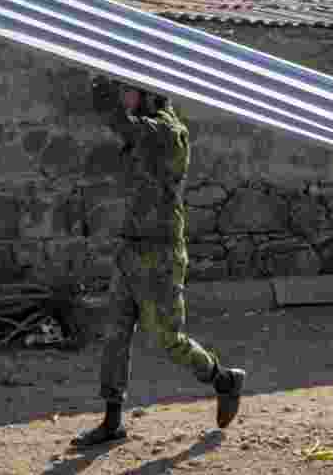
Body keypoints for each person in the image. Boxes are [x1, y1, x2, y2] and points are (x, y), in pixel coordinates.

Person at [72, 77, 246, 448]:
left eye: (130, 91)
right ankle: (112, 421)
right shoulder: (144, 130)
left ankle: (224, 380)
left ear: (150, 95)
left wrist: (102, 92)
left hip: (161, 256)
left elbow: (126, 125)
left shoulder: (169, 133)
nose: (125, 98)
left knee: (169, 340)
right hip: (131, 249)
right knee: (115, 335)